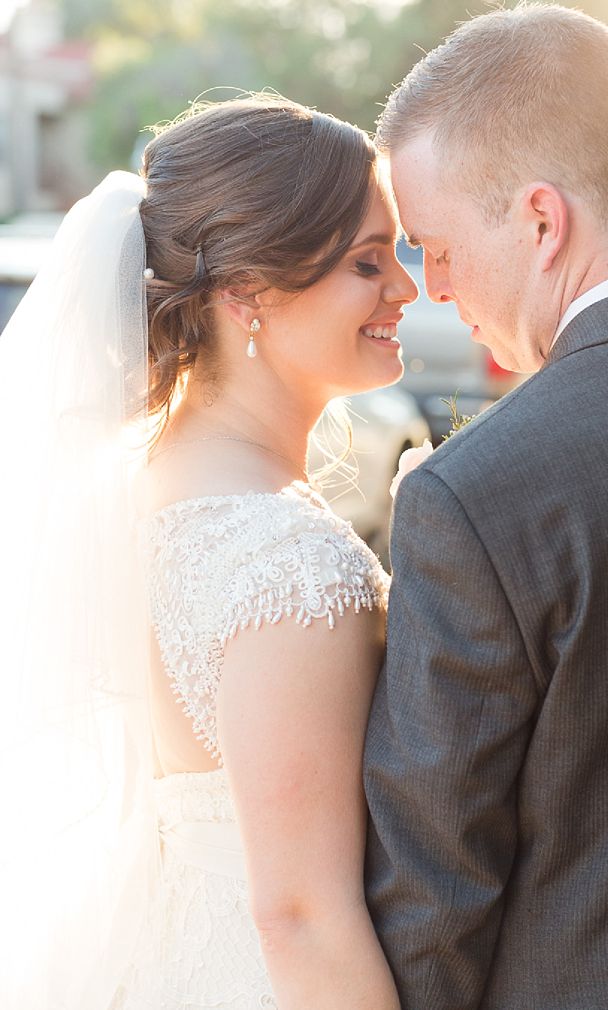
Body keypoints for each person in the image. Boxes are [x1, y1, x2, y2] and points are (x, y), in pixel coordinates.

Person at [1, 95, 413, 1008]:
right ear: (247, 295)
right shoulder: (287, 563)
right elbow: (299, 913)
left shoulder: (141, 484)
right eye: (366, 261)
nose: (406, 289)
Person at [361, 6, 608, 1009]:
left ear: (543, 220)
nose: (432, 286)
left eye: (436, 246)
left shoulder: (481, 489)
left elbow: (434, 880)